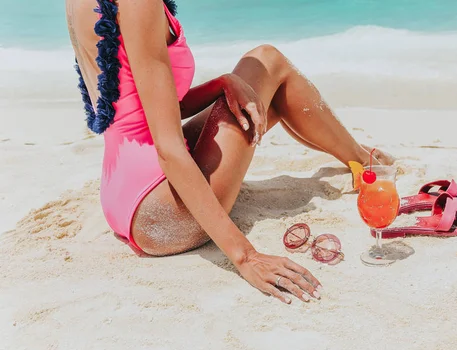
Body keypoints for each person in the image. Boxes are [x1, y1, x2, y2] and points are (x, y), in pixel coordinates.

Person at [65, 0, 395, 304]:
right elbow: (168, 150)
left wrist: (221, 83)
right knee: (268, 60)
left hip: (122, 195)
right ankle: (364, 164)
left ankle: (359, 160)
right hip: (161, 206)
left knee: (259, 96)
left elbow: (147, 106)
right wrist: (246, 257)